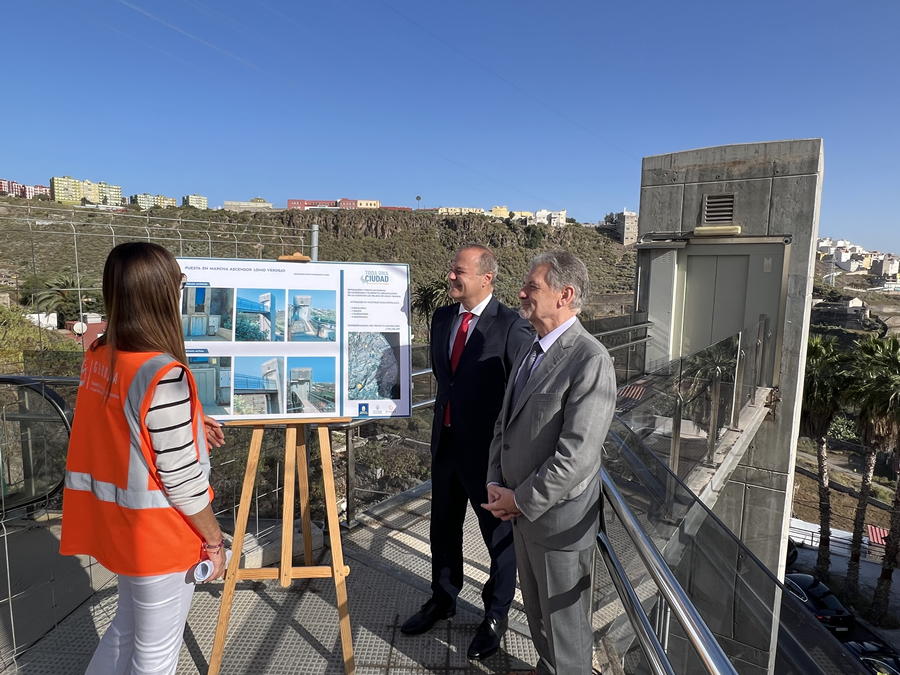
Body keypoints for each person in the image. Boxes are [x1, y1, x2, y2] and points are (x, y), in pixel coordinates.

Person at [60, 242, 228, 675]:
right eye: (180, 283)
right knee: (155, 657)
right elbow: (182, 479)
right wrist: (213, 540)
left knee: (123, 633)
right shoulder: (164, 372)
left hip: (119, 528)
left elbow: (121, 424)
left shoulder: (100, 352)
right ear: (162, 293)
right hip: (161, 538)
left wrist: (189, 420)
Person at [483, 251, 616, 675]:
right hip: (522, 517)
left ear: (566, 294)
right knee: (539, 623)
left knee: (566, 635)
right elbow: (504, 423)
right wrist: (495, 484)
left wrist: (519, 499)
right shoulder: (530, 349)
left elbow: (577, 455)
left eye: (532, 286)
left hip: (558, 523)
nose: (521, 292)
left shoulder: (590, 360)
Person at [401, 244, 532, 660]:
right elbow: (447, 381)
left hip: (489, 455)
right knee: (442, 527)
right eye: (451, 270)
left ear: (485, 277)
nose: (451, 277)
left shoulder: (512, 326)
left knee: (498, 538)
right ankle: (442, 598)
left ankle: (495, 615)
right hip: (445, 443)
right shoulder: (442, 318)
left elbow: (523, 395)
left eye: (459, 271)